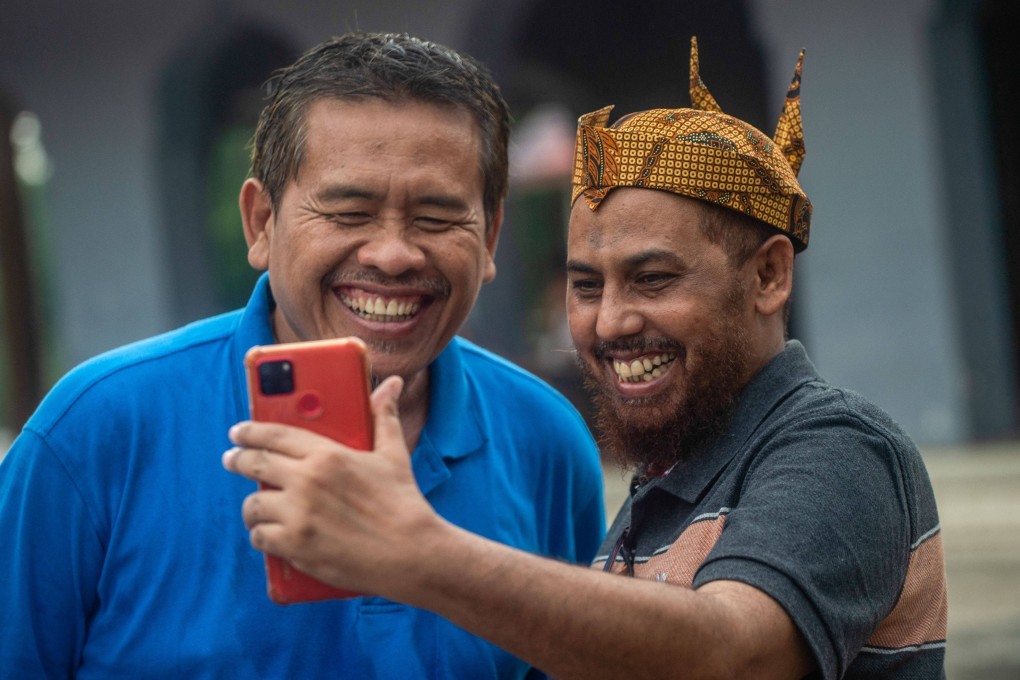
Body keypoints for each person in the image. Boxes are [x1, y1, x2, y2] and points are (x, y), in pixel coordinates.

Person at [223, 37, 948, 679]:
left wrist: (416, 554)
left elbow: (731, 655)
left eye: (654, 279)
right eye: (584, 285)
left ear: (768, 276)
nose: (610, 322)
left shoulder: (840, 450)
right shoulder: (674, 471)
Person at [0, 33, 606, 678]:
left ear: (488, 236)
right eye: (349, 212)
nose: (393, 254)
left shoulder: (545, 440)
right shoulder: (96, 431)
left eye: (435, 217)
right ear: (262, 223)